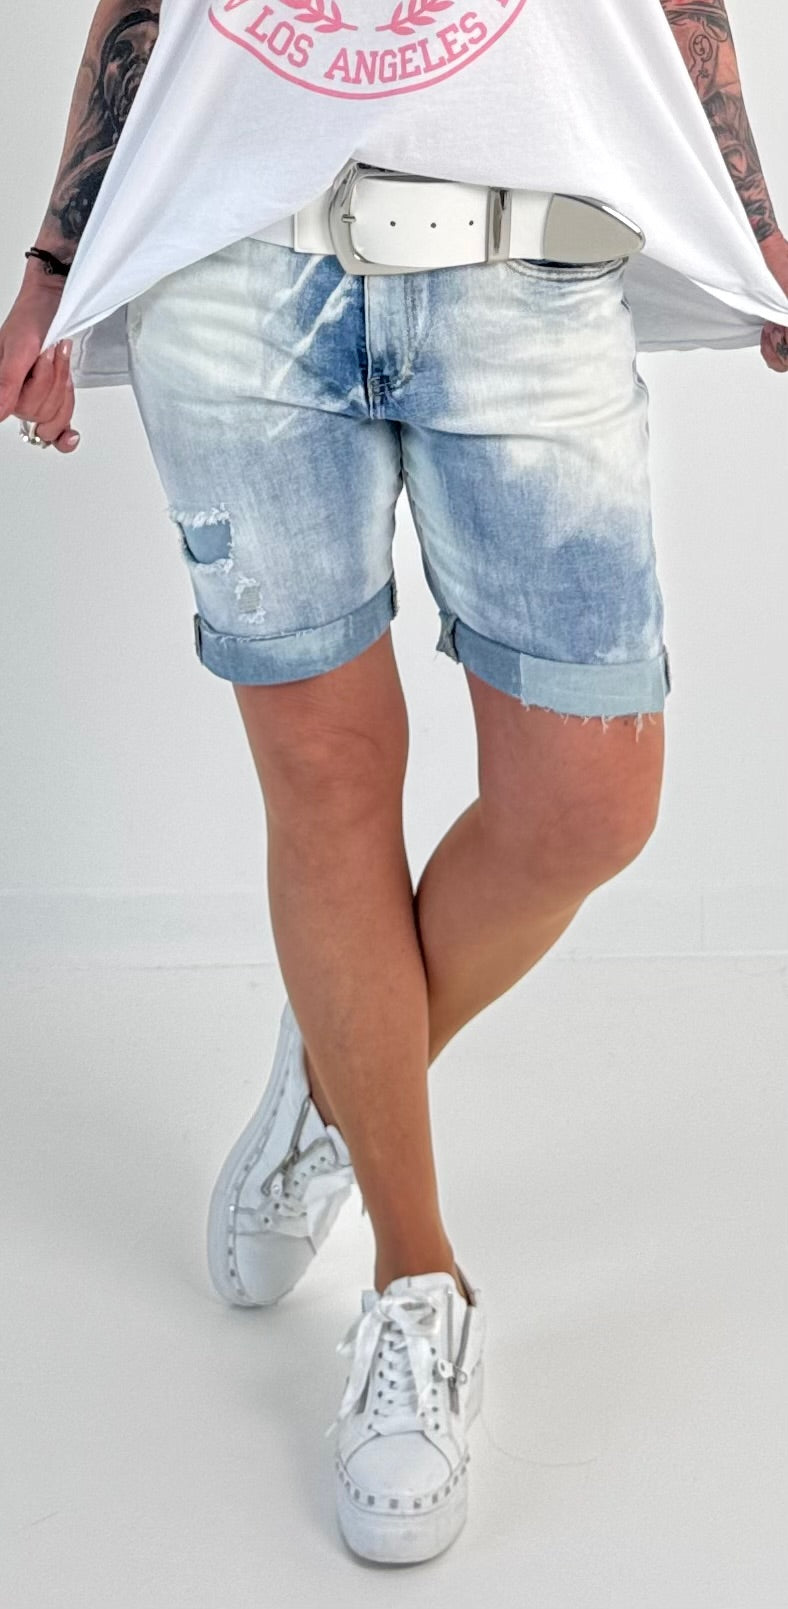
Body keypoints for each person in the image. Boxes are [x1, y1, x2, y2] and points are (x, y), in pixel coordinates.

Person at [1, 0, 786, 1568]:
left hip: (530, 262)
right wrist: (54, 254)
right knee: (327, 778)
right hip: (232, 265)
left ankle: (343, 1073)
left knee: (591, 799)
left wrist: (753, 219)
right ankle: (416, 1283)